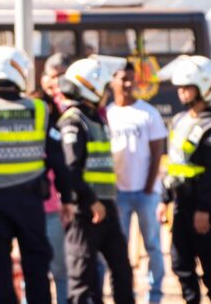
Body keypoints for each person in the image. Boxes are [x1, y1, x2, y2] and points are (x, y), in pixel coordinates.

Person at [0, 46, 74, 304]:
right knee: (37, 269)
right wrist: (68, 199)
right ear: (22, 73)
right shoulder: (41, 110)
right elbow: (58, 159)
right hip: (31, 204)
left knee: (0, 271)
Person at [57, 56, 135, 304]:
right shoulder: (73, 121)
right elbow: (71, 168)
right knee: (82, 277)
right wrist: (91, 201)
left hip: (106, 207)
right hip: (86, 210)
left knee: (122, 270)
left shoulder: (96, 118)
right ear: (92, 87)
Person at [156, 56, 211, 303]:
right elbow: (173, 164)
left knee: (209, 262)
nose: (181, 92)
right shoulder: (179, 121)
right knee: (180, 262)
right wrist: (163, 199)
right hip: (180, 204)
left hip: (204, 206)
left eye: (187, 87)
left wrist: (203, 209)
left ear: (204, 88)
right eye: (180, 87)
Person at [106, 63, 166, 304]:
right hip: (118, 194)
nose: (129, 84)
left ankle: (155, 295)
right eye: (123, 79)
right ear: (113, 82)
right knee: (119, 249)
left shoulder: (148, 113)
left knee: (152, 246)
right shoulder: (107, 114)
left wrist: (149, 187)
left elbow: (157, 152)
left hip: (145, 194)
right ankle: (124, 294)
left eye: (132, 79)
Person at [37, 53, 71, 304]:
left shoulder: (61, 124)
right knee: (35, 272)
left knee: (60, 271)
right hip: (32, 209)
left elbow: (61, 168)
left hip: (52, 209)